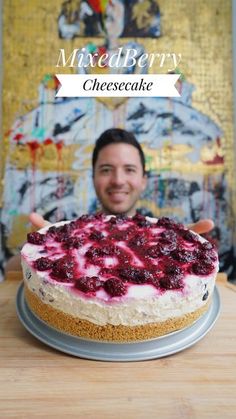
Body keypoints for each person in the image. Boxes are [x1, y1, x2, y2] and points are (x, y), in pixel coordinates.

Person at [29, 128, 214, 235]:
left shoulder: (164, 236)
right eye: (106, 170)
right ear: (93, 178)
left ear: (143, 180)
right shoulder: (67, 233)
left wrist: (180, 244)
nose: (118, 180)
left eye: (129, 170)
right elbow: (12, 267)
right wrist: (40, 244)